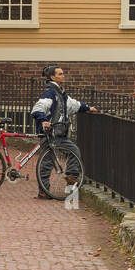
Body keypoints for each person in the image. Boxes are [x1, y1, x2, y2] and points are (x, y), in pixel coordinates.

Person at [30, 65, 97, 198]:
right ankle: (44, 191)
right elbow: (38, 108)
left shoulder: (61, 94)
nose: (63, 75)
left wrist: (88, 108)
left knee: (74, 151)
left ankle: (71, 179)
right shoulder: (50, 93)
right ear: (52, 77)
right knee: (46, 163)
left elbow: (73, 104)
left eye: (63, 73)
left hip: (60, 133)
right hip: (49, 133)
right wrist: (44, 121)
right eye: (60, 74)